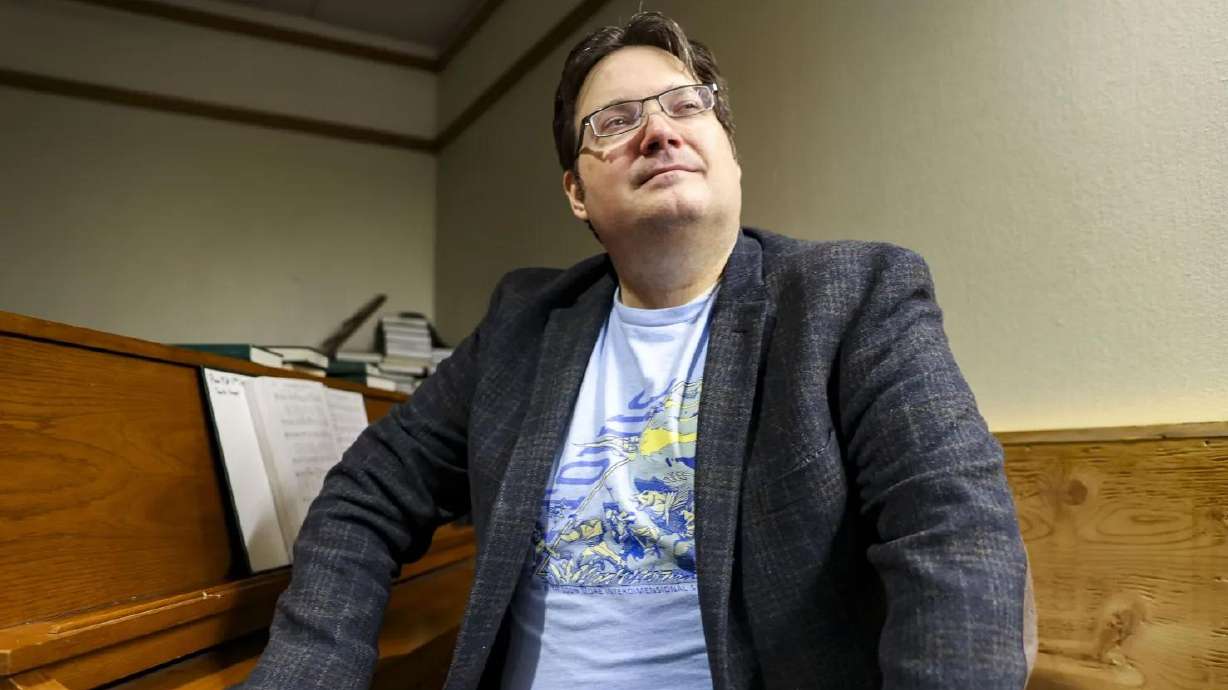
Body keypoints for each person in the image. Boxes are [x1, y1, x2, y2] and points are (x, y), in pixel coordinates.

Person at [238, 11, 1035, 690]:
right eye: (615, 121)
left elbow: (956, 539)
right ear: (577, 193)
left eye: (687, 105)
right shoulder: (522, 324)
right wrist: (312, 670)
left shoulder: (852, 298)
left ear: (730, 153)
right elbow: (365, 494)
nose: (659, 130)